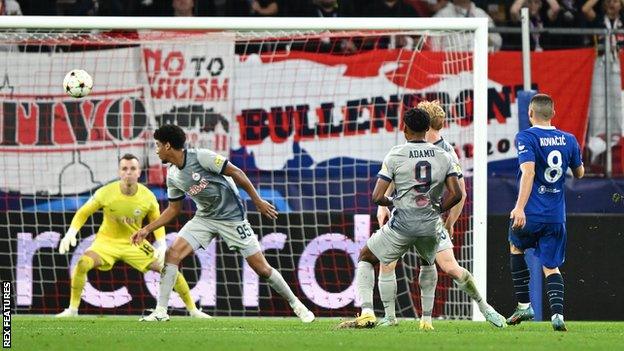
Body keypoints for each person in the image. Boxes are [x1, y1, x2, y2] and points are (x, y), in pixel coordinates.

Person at [133, 124, 315, 322]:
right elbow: (173, 210)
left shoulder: (201, 157)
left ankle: (297, 304)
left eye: (158, 145)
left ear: (168, 146)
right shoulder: (173, 175)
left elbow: (237, 173)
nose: (156, 149)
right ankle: (161, 311)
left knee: (262, 269)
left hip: (232, 218)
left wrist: (257, 201)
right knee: (172, 254)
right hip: (205, 218)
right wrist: (147, 229)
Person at [376, 101, 506, 329]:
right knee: (443, 266)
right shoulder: (441, 151)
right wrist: (448, 220)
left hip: (415, 219)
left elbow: (459, 192)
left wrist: (384, 205)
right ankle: (483, 308)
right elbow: (460, 193)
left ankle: (392, 317)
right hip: (420, 219)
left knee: (395, 262)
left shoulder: (427, 150)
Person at [337, 107, 463, 329]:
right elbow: (458, 193)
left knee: (368, 256)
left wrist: (392, 202)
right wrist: (438, 209)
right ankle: (427, 320)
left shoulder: (396, 153)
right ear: (427, 128)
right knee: (429, 263)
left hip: (402, 223)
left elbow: (377, 196)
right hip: (430, 223)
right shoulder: (444, 155)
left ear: (404, 129)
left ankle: (370, 313)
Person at [56, 154, 211, 319]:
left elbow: (156, 221)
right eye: (124, 168)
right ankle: (72, 310)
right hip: (106, 243)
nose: (128, 172)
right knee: (82, 263)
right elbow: (83, 212)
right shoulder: (105, 192)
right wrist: (71, 232)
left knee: (169, 269)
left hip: (135, 243)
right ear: (119, 172)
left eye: (132, 169)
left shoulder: (148, 197)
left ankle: (193, 311)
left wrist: (161, 244)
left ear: (139, 172)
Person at [507, 93, 584, 331]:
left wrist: (519, 206)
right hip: (555, 216)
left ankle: (524, 305)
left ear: (530, 113)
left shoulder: (526, 136)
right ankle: (558, 315)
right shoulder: (569, 139)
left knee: (516, 246)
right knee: (551, 267)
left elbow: (528, 172)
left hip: (530, 213)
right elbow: (579, 173)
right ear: (553, 113)